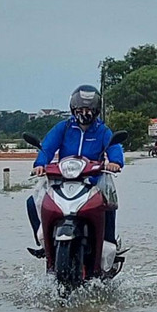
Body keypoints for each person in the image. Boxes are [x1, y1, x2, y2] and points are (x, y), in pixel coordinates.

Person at [26, 84, 124, 258]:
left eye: (88, 108)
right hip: (62, 179)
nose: (84, 112)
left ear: (95, 109)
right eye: (80, 108)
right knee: (32, 200)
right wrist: (40, 164)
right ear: (73, 108)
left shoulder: (102, 131)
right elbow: (47, 148)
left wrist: (115, 162)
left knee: (109, 201)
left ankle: (109, 242)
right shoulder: (63, 128)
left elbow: (114, 148)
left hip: (94, 179)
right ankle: (43, 241)